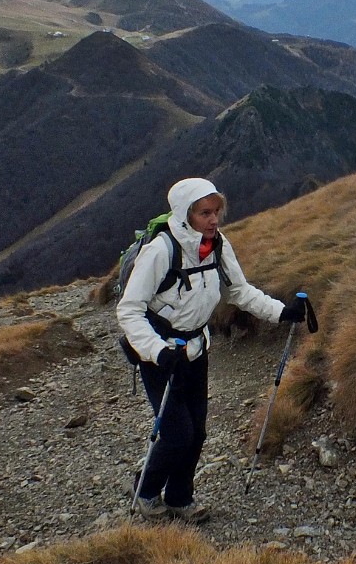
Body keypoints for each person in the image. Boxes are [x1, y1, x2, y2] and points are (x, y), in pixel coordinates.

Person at [116, 177, 308, 523]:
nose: (214, 219)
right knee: (177, 432)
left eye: (217, 211)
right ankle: (145, 491)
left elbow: (240, 292)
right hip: (162, 355)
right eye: (205, 212)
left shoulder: (217, 245)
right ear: (185, 213)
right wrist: (157, 350)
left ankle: (179, 497)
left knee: (198, 431)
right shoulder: (161, 250)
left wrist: (282, 312)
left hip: (196, 350)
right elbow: (129, 309)